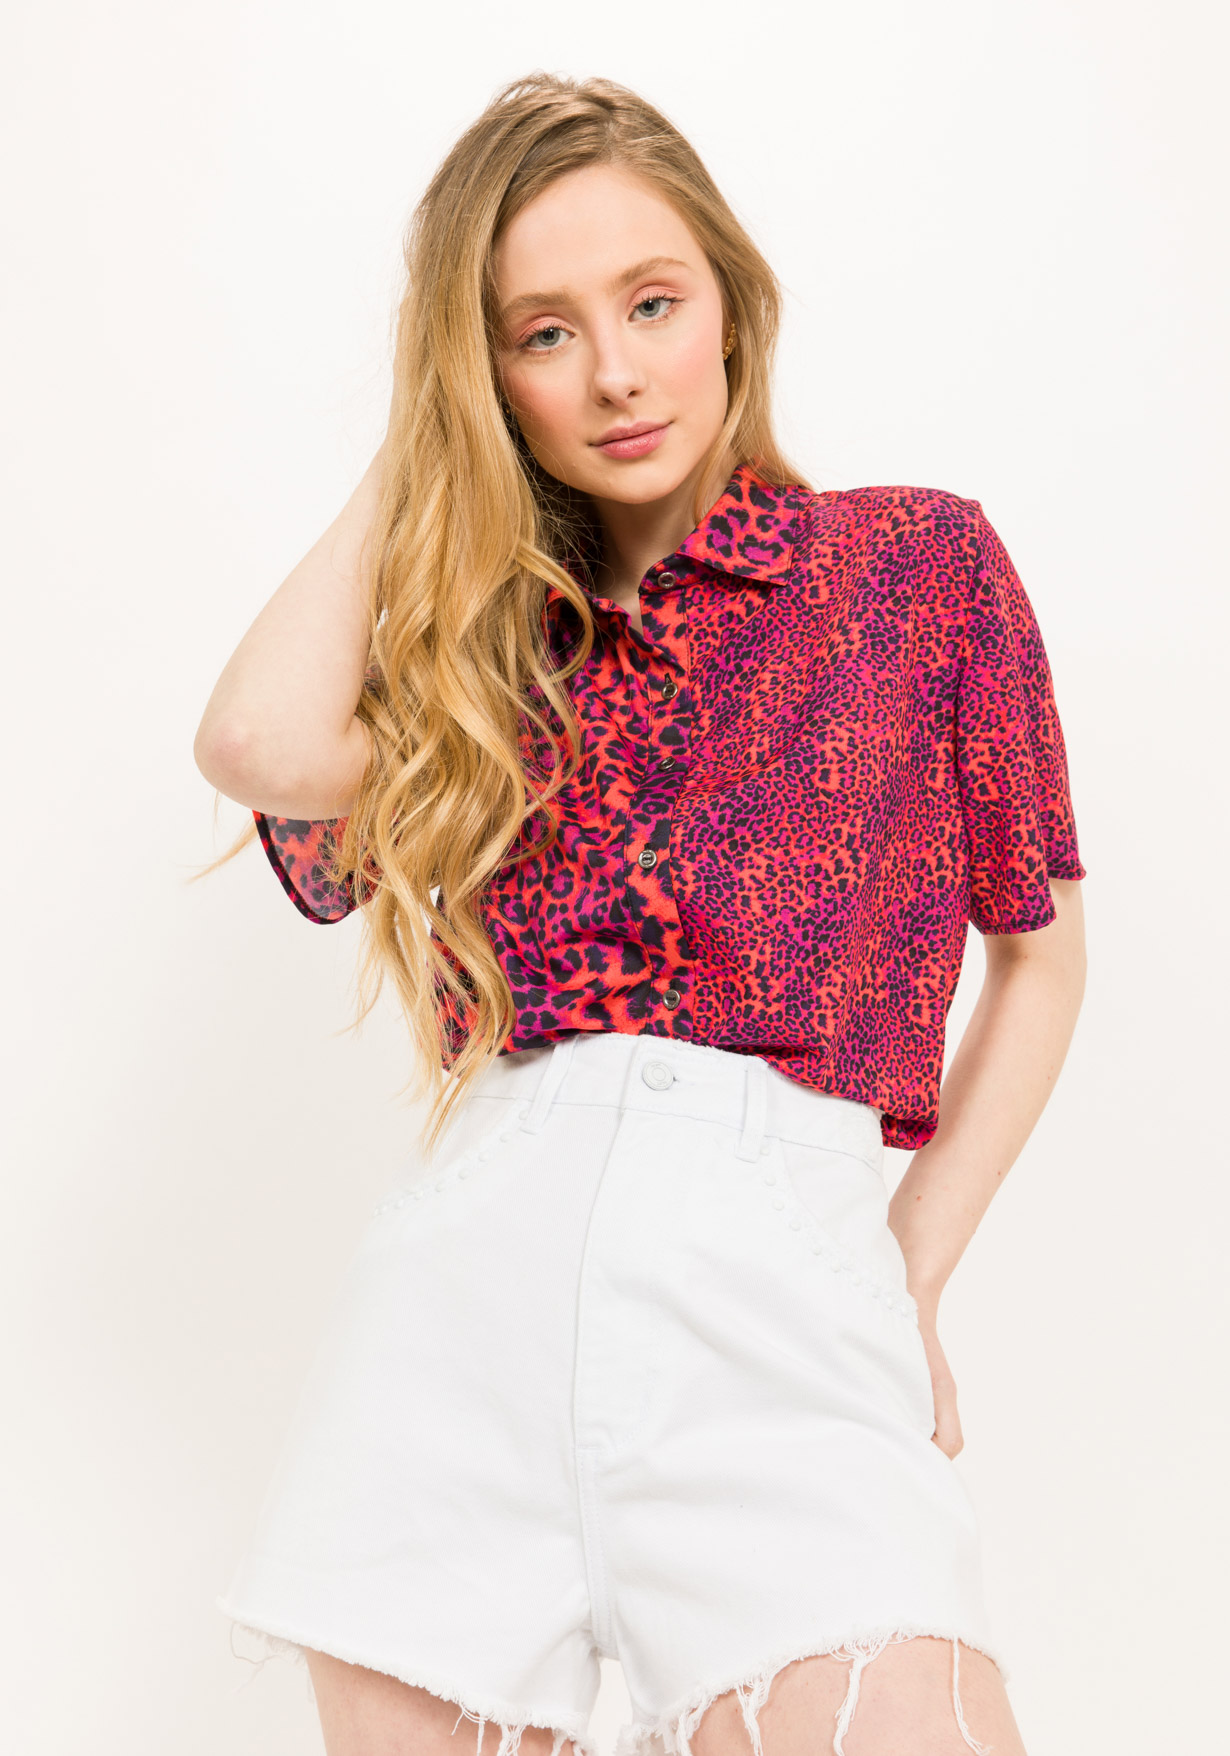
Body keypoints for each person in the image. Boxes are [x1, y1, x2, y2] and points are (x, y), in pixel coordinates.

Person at [194, 71, 1087, 1756]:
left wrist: (901, 1282)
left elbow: (1038, 963)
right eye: (540, 334)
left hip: (782, 1299)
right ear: (487, 380)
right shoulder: (487, 668)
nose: (612, 371)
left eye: (652, 303)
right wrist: (424, 429)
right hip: (464, 1317)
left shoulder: (912, 572)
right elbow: (252, 744)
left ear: (730, 307)